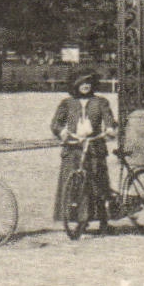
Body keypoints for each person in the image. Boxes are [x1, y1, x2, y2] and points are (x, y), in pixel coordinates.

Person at [51, 70, 118, 232]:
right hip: (73, 148)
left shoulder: (100, 102)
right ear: (75, 85)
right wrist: (62, 132)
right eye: (82, 83)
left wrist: (109, 128)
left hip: (94, 148)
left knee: (98, 184)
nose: (85, 86)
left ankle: (103, 219)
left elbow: (109, 119)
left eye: (88, 83)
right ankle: (78, 219)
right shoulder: (67, 103)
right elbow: (56, 123)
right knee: (75, 184)